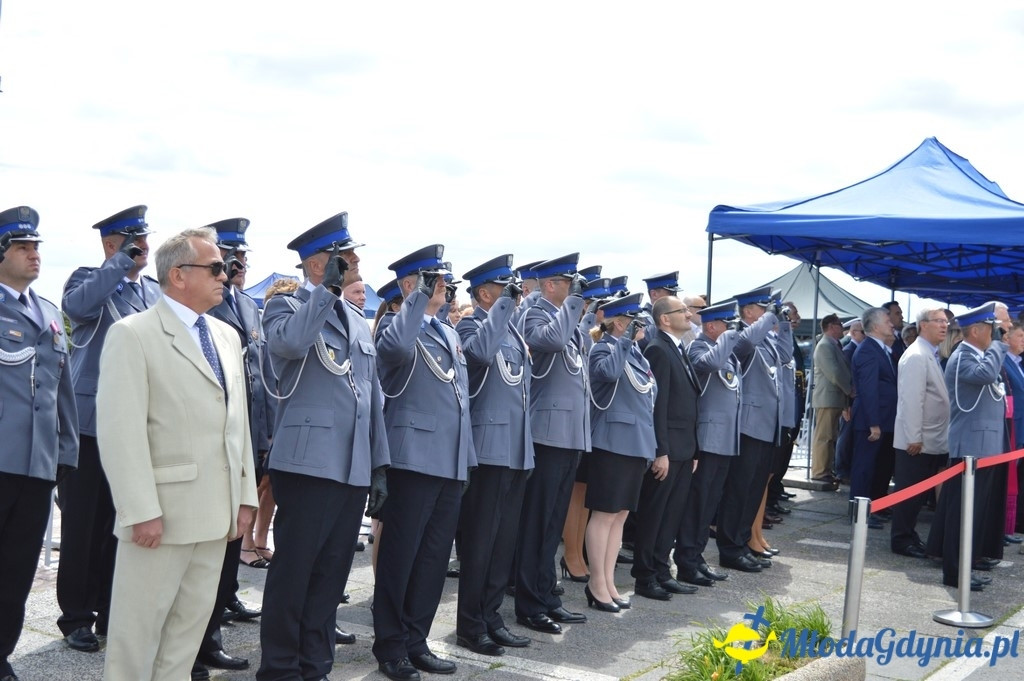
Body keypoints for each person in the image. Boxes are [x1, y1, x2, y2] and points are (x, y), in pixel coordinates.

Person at [97, 227, 259, 681]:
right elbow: (120, 432)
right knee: (136, 639)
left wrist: (245, 497)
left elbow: (237, 424)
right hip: (160, 518)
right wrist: (139, 510)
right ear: (179, 275)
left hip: (215, 516)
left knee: (186, 639)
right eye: (214, 267)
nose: (224, 275)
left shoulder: (226, 336)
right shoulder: (134, 335)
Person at [257, 212, 389, 680]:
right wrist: (323, 294)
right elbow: (290, 347)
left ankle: (315, 665)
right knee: (295, 572)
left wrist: (379, 463)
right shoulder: (287, 306)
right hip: (309, 462)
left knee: (331, 575)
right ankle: (278, 667)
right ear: (320, 265)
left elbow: (369, 396)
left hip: (351, 464)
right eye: (345, 255)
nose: (354, 261)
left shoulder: (356, 316)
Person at [58, 205, 161, 654]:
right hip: (90, 424)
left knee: (118, 525)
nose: (142, 247)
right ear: (110, 244)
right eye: (130, 240)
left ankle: (107, 608)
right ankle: (76, 616)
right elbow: (77, 308)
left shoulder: (150, 293)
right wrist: (119, 262)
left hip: (133, 426)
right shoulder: (87, 279)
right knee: (83, 525)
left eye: (143, 239)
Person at [373, 245, 475, 680]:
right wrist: (414, 297)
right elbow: (393, 351)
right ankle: (391, 646)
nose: (447, 288)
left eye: (447, 282)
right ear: (413, 285)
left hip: (449, 461)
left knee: (433, 559)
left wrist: (466, 458)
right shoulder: (398, 326)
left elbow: (459, 400)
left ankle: (416, 639)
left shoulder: (448, 332)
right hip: (413, 460)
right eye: (438, 281)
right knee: (401, 558)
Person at [0, 206, 79, 681]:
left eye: (36, 248)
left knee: (15, 573)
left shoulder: (49, 313)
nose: (34, 255)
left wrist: (67, 451)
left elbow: (61, 391)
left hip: (37, 465)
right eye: (23, 247)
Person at [191, 219, 271, 679]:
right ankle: (192, 644)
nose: (236, 266)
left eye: (241, 256)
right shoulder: (204, 305)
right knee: (202, 552)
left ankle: (210, 637)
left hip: (247, 436)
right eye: (227, 257)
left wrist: (264, 437)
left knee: (227, 546)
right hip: (211, 440)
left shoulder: (248, 307)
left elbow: (259, 379)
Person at [454, 255, 534, 656]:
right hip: (488, 449)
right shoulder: (471, 325)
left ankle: (491, 616)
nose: (513, 296)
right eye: (505, 290)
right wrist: (503, 308)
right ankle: (470, 624)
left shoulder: (513, 331)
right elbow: (480, 356)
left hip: (515, 449)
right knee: (480, 542)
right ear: (486, 293)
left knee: (503, 543)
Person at [515, 253, 590, 635]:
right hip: (546, 434)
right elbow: (552, 341)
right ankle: (529, 603)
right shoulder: (534, 314)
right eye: (568, 283)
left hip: (568, 434)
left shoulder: (570, 320)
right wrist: (575, 306)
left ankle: (547, 596)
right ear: (549, 285)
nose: (574, 289)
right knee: (537, 521)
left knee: (552, 523)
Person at [926, 302, 1007, 591]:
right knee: (963, 515)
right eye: (991, 329)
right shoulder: (963, 356)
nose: (995, 334)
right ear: (976, 331)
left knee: (973, 515)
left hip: (983, 448)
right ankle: (955, 572)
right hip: (971, 447)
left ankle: (965, 568)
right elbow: (985, 376)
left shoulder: (978, 355)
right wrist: (1000, 344)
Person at [584, 292, 655, 612]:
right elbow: (608, 374)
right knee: (604, 514)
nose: (639, 325)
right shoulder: (603, 348)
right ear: (618, 322)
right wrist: (623, 338)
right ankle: (595, 583)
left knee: (621, 516)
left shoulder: (637, 353)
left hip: (635, 443)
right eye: (632, 320)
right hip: (611, 443)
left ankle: (609, 581)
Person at [717, 286, 788, 573]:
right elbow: (745, 344)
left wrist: (781, 322)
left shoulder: (767, 340)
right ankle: (730, 548)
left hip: (765, 425)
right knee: (739, 490)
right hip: (748, 425)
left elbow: (784, 353)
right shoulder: (742, 335)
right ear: (749, 312)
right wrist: (768, 318)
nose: (767, 314)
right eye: (763, 308)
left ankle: (743, 542)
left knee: (754, 489)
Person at [633, 296, 699, 600]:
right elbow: (657, 405)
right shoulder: (658, 349)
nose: (688, 315)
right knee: (655, 514)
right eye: (681, 311)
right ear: (665, 319)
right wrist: (661, 451)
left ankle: (661, 569)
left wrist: (694, 449)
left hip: (684, 447)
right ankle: (645, 576)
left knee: (671, 514)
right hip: (668, 449)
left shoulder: (677, 346)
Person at [677, 301, 742, 584]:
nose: (732, 331)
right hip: (707, 438)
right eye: (727, 325)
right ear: (713, 326)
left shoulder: (726, 351)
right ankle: (687, 561)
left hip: (724, 439)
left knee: (710, 502)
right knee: (698, 501)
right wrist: (728, 337)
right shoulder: (699, 347)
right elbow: (712, 364)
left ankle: (698, 556)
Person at [890, 307, 949, 559]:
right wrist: (914, 436)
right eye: (939, 321)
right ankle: (901, 539)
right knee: (909, 494)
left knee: (917, 495)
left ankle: (909, 535)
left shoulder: (929, 353)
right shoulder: (916, 355)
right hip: (917, 441)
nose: (944, 326)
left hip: (930, 438)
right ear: (923, 325)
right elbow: (911, 400)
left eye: (946, 322)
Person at [849, 307, 898, 529]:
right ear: (876, 326)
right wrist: (873, 423)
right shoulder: (869, 350)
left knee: (875, 467)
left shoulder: (880, 349)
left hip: (882, 418)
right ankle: (858, 514)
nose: (892, 324)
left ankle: (870, 509)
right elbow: (868, 389)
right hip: (871, 420)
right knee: (864, 467)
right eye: (888, 320)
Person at [810, 314, 851, 484]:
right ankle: (820, 472)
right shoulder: (825, 346)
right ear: (831, 326)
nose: (842, 328)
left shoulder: (832, 345)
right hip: (827, 398)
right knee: (824, 437)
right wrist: (850, 390)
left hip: (833, 398)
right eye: (840, 324)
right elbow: (834, 373)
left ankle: (825, 470)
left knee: (830, 437)